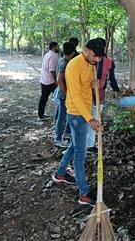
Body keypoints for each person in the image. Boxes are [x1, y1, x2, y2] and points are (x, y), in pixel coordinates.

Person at [51, 39, 104, 206]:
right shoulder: (73, 66)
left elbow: (84, 85)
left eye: (100, 58)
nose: (97, 60)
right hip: (76, 114)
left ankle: (60, 174)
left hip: (85, 110)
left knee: (75, 145)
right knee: (80, 154)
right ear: (86, 50)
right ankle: (84, 193)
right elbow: (74, 95)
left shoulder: (89, 63)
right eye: (95, 56)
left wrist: (92, 84)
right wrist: (90, 119)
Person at [86, 38, 121, 151]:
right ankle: (88, 144)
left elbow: (111, 79)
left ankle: (89, 144)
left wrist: (117, 91)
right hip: (87, 95)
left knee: (92, 119)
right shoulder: (89, 60)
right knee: (92, 119)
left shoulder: (109, 62)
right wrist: (117, 90)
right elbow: (112, 80)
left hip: (97, 95)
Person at [54, 42, 76, 147]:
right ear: (73, 52)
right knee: (62, 116)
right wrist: (67, 94)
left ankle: (67, 133)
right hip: (64, 95)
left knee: (68, 115)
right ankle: (58, 138)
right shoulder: (64, 63)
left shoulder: (64, 61)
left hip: (66, 94)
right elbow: (59, 80)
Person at [38, 41, 59, 120]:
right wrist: (56, 81)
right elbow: (52, 71)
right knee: (60, 98)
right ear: (54, 47)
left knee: (43, 98)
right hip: (50, 82)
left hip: (44, 80)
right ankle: (59, 117)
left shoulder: (47, 54)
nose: (58, 48)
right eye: (57, 46)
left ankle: (41, 115)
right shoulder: (53, 56)